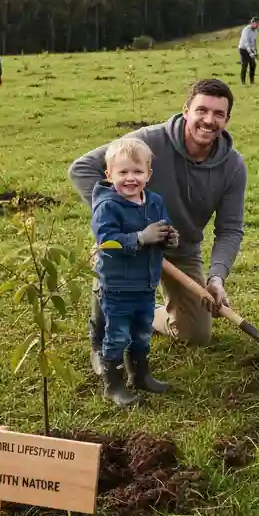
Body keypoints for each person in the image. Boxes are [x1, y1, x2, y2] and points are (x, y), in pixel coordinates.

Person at [68, 79, 247, 373]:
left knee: (197, 335)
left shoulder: (233, 166)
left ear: (227, 120)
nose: (208, 120)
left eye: (218, 114)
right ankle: (99, 342)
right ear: (186, 110)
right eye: (201, 110)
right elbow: (82, 169)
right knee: (112, 269)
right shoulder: (149, 141)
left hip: (180, 249)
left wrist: (216, 278)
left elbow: (230, 229)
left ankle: (151, 314)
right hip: (128, 242)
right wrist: (120, 219)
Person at [90, 137, 179, 407]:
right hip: (117, 285)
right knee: (117, 335)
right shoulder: (108, 206)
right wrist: (140, 237)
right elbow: (107, 241)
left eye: (138, 172)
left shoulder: (154, 202)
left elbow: (164, 227)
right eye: (123, 172)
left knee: (142, 331)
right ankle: (113, 385)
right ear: (109, 174)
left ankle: (139, 375)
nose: (131, 178)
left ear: (148, 174)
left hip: (146, 282)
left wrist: (169, 237)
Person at [237, 17, 259, 85]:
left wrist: (256, 51)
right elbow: (246, 42)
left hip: (251, 49)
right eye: (256, 24)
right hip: (243, 49)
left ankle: (252, 81)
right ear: (252, 23)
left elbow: (254, 41)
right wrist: (250, 52)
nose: (257, 25)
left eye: (258, 24)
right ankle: (243, 82)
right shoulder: (246, 30)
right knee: (245, 65)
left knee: (253, 65)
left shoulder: (255, 31)